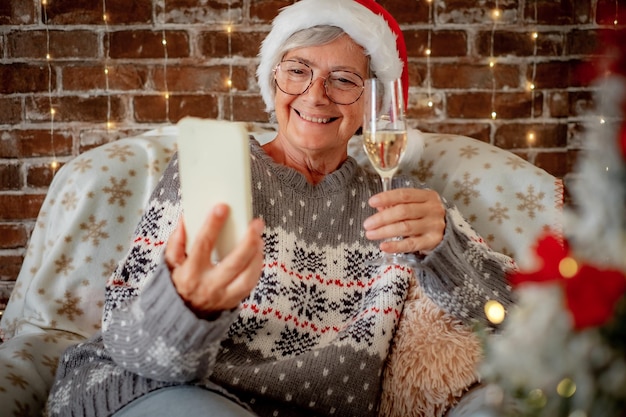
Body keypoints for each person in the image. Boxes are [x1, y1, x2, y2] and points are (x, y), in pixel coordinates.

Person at [45, 0, 516, 416]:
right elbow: (129, 341)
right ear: (273, 82)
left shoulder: (405, 202)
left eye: (344, 79)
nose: (315, 94)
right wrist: (186, 307)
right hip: (159, 387)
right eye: (297, 70)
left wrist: (447, 250)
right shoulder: (215, 165)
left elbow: (526, 317)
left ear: (371, 106)